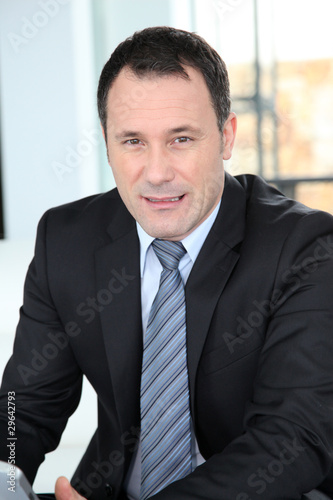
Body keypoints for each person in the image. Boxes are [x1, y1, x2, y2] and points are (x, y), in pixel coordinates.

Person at [1, 26, 333, 500]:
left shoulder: (307, 249)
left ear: (226, 136)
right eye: (132, 141)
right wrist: (3, 473)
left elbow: (293, 439)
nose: (156, 173)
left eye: (181, 139)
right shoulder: (66, 240)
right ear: (107, 142)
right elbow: (21, 410)